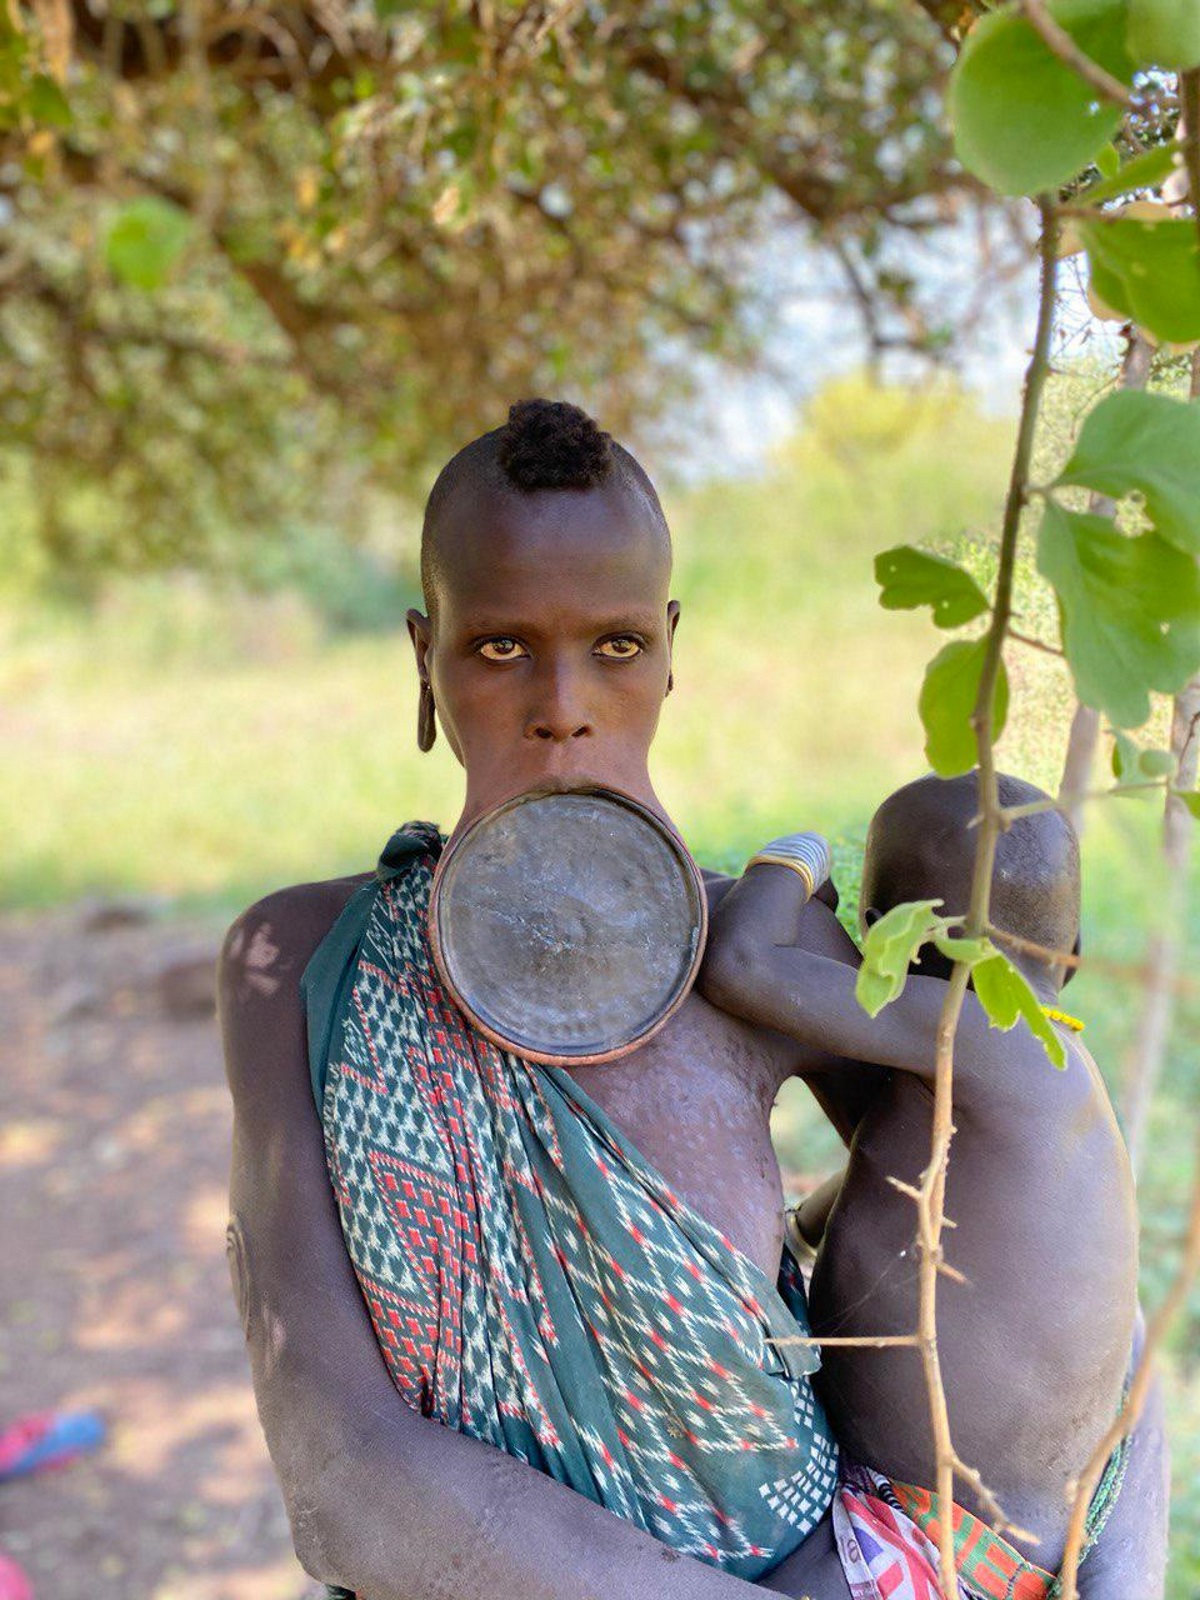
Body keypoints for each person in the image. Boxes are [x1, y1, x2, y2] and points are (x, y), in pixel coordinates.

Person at [218, 401, 1165, 1600]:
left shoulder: (762, 955)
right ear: (426, 657)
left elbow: (1070, 1285)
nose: (563, 702)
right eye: (501, 646)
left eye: (613, 645)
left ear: (670, 651)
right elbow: (345, 1479)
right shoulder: (308, 962)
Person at [700, 773, 1170, 1595]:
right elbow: (914, 1188)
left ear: (892, 940)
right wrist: (804, 1229)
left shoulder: (976, 1024)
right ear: (1076, 952)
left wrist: (795, 861)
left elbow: (742, 965)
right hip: (1025, 1511)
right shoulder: (1037, 1052)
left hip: (946, 1542)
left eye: (867, 928)